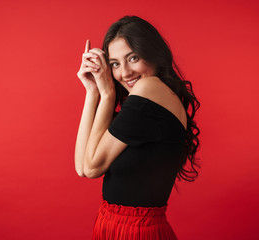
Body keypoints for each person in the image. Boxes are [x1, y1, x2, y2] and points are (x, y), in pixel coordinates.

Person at [75, 15, 200, 240]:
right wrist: (92, 91)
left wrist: (107, 93)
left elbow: (93, 168)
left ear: (153, 54)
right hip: (110, 226)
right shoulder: (146, 102)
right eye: (114, 64)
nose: (124, 73)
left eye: (133, 58)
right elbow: (82, 167)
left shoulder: (149, 88)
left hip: (137, 232)